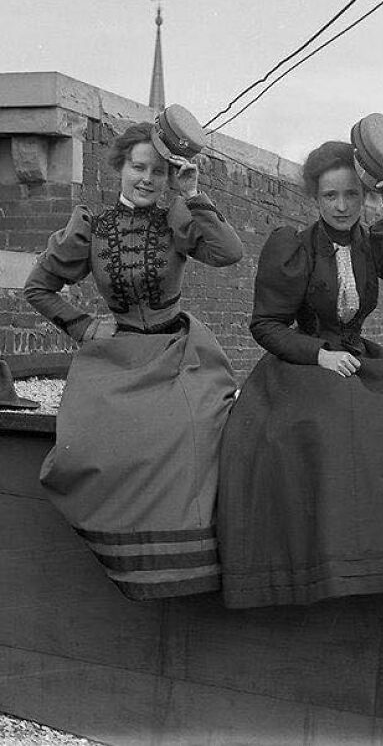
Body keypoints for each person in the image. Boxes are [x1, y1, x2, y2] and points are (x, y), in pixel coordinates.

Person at [217, 139, 383, 608]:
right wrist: (319, 355)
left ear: (365, 196)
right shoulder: (293, 246)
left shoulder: (373, 242)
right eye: (330, 196)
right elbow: (265, 325)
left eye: (351, 195)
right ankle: (335, 559)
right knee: (337, 419)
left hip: (357, 356)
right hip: (303, 363)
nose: (341, 206)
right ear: (315, 197)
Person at [24, 120, 244, 601]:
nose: (147, 179)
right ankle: (127, 555)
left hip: (179, 354)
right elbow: (38, 288)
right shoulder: (92, 227)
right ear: (120, 167)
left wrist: (193, 194)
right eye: (138, 167)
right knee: (85, 447)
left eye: (158, 172)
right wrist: (83, 327)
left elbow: (229, 253)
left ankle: (192, 558)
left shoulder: (176, 220)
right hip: (116, 357)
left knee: (195, 429)